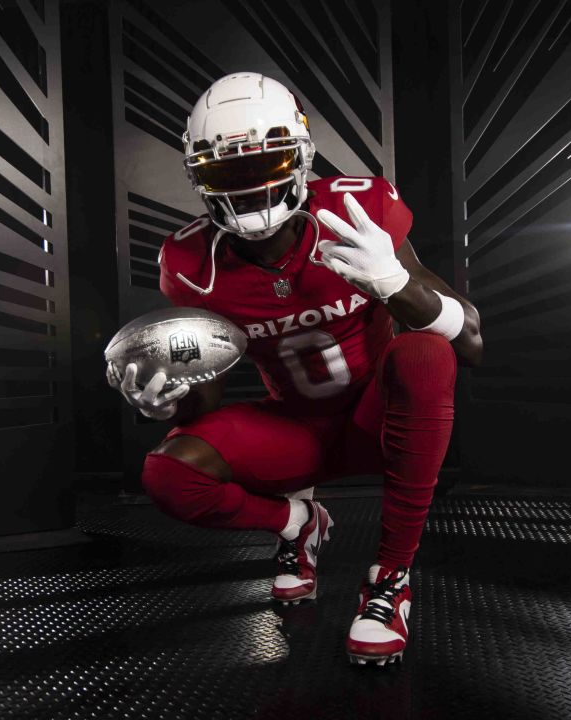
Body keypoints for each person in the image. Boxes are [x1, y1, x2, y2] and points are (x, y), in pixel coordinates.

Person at [106, 72, 483, 665]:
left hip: (380, 419)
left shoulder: (359, 207)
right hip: (297, 432)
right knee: (169, 473)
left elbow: (474, 342)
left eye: (265, 165)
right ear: (201, 177)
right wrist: (168, 404)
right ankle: (297, 524)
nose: (252, 189)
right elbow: (206, 403)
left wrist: (398, 284)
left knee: (425, 352)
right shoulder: (189, 261)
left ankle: (390, 578)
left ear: (300, 158)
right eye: (230, 173)